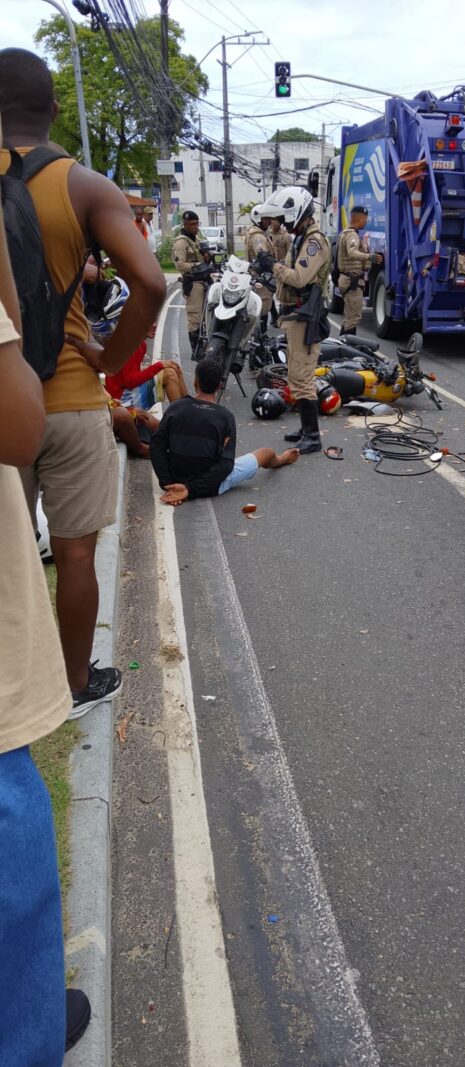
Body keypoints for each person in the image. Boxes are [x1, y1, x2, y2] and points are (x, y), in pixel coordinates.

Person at [0, 47, 165, 717]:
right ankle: (73, 685)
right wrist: (104, 355)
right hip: (69, 396)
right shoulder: (86, 186)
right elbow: (149, 282)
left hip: (2, 400)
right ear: (53, 109)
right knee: (73, 555)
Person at [0, 177, 90, 1067]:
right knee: (5, 781)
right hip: (62, 403)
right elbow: (16, 423)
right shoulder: (80, 187)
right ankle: (24, 1035)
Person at [150, 358, 299, 506]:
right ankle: (281, 459)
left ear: (195, 382)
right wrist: (189, 490)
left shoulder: (175, 407)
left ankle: (180, 486)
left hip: (174, 478)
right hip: (209, 485)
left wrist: (167, 484)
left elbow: (156, 446)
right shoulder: (225, 417)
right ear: (219, 386)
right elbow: (226, 465)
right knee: (266, 453)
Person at [271, 186, 331, 454]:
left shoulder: (314, 241)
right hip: (296, 314)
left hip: (307, 316)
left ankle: (312, 435)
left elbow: (298, 278)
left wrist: (273, 266)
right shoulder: (301, 238)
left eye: (286, 218)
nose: (284, 224)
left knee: (302, 375)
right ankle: (305, 429)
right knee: (295, 374)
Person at [337, 205, 382, 335]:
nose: (366, 222)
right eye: (365, 219)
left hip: (348, 280)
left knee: (349, 318)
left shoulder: (346, 233)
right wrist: (369, 257)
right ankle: (347, 345)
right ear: (359, 218)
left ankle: (343, 343)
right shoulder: (352, 235)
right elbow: (352, 253)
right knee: (352, 319)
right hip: (352, 281)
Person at [104, 341, 187, 407]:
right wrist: (158, 366)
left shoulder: (141, 344)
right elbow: (130, 382)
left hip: (126, 392)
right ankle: (179, 417)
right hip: (120, 400)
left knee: (175, 368)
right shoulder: (130, 345)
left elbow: (132, 372)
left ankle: (187, 411)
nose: (154, 326)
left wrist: (156, 368)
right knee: (170, 374)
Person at [172, 209, 206, 353]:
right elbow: (180, 265)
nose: (196, 227)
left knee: (204, 316)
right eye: (192, 224)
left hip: (203, 281)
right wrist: (198, 265)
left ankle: (202, 346)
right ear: (185, 225)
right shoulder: (181, 242)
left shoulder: (195, 239)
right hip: (192, 283)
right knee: (195, 317)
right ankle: (195, 350)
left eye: (197, 224)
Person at [245, 203, 273, 330]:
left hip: (256, 275)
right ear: (258, 219)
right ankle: (261, 334)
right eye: (266, 218)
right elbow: (263, 257)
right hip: (261, 276)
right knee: (263, 305)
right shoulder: (258, 237)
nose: (269, 221)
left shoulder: (255, 233)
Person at [269, 215, 292, 324]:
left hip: (282, 269)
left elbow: (291, 254)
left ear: (280, 222)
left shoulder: (286, 236)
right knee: (268, 294)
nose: (273, 222)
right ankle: (274, 315)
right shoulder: (268, 235)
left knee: (283, 295)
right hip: (271, 269)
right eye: (272, 220)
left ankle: (282, 317)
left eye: (275, 220)